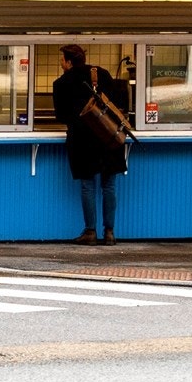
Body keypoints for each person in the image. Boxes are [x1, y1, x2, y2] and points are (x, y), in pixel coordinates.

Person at [52, 44, 128, 246]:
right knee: (109, 185)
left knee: (88, 186)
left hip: (82, 141)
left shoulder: (61, 83)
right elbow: (118, 102)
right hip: (109, 138)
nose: (61, 64)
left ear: (69, 61)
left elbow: (60, 115)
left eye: (62, 60)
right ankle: (109, 232)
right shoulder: (101, 74)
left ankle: (91, 232)